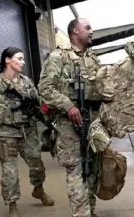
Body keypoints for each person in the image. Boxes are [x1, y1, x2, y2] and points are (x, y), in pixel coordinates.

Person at [0, 47, 54, 217]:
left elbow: (38, 103)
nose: (23, 62)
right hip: (4, 133)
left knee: (37, 164)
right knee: (10, 172)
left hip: (27, 130)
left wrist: (48, 113)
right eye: (19, 58)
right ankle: (12, 205)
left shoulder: (26, 82)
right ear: (7, 60)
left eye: (24, 58)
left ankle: (38, 190)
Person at [38, 18, 103, 217]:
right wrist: (68, 106)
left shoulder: (93, 59)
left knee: (92, 171)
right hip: (70, 127)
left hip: (93, 124)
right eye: (88, 28)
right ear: (76, 31)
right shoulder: (59, 57)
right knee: (76, 172)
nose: (92, 31)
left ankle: (90, 211)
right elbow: (45, 88)